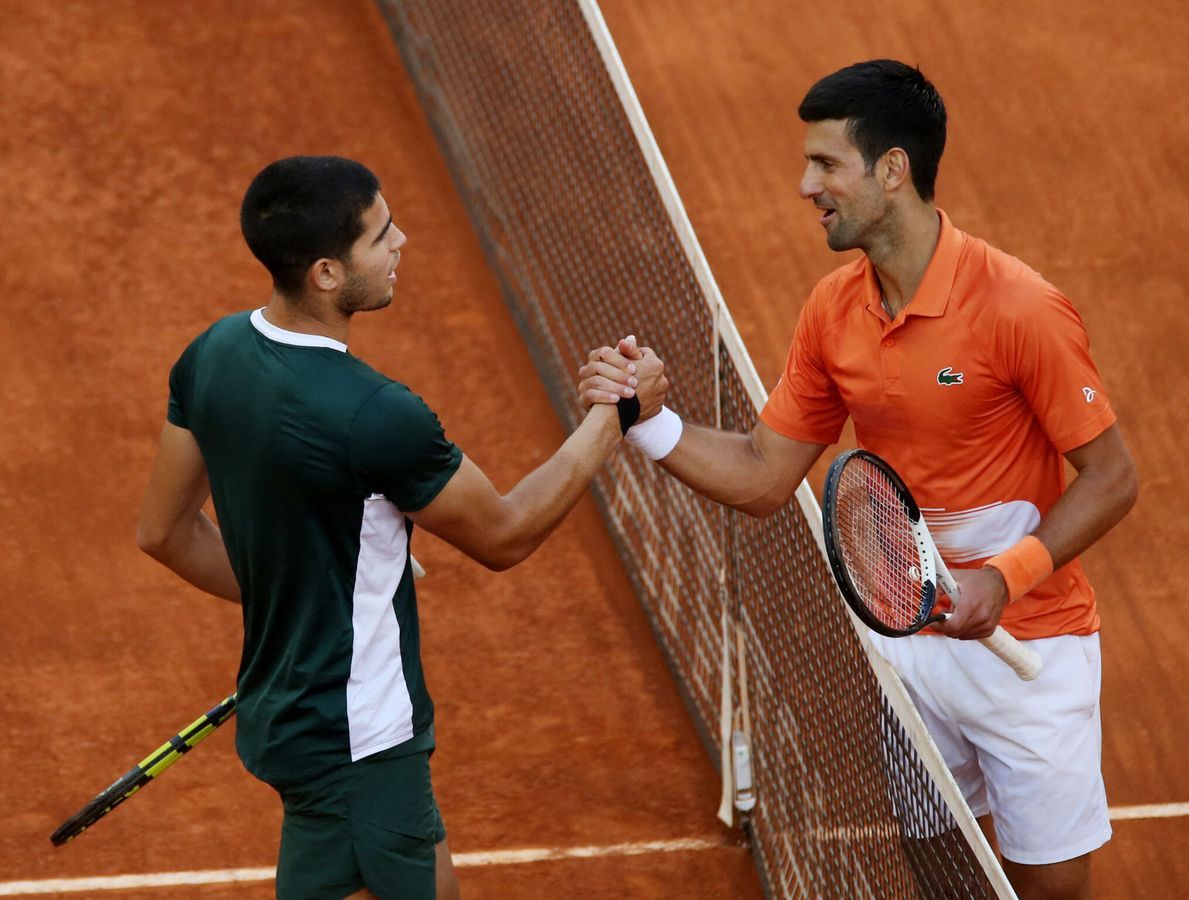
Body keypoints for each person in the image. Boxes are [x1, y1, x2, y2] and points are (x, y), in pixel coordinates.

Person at [578, 60, 1137, 900]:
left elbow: (1112, 477)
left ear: (892, 169)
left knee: (1049, 888)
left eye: (825, 164)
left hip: (1034, 647)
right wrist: (646, 421)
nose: (807, 185)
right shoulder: (834, 311)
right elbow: (766, 475)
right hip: (909, 643)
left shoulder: (1019, 308)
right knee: (940, 869)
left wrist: (1005, 576)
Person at [136, 155, 665, 900]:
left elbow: (166, 531)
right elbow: (506, 533)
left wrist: (313, 594)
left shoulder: (213, 354)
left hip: (305, 720)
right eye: (380, 235)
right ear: (325, 272)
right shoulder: (374, 415)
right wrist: (615, 417)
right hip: (360, 744)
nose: (402, 241)